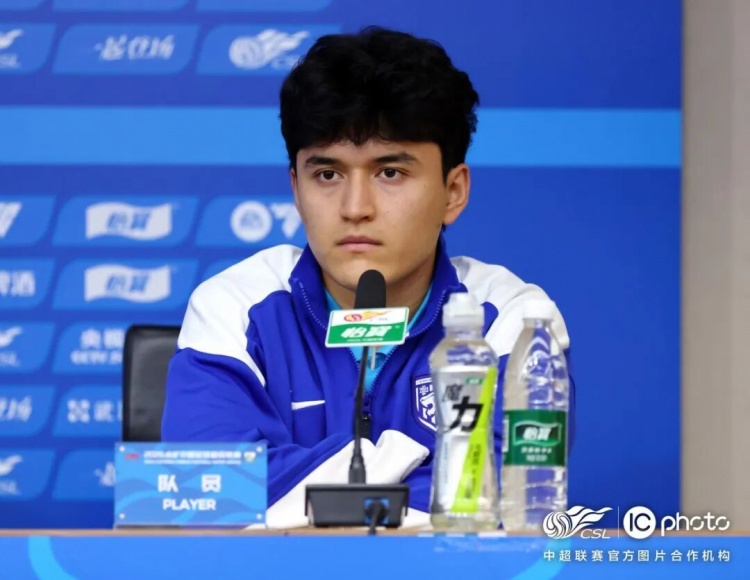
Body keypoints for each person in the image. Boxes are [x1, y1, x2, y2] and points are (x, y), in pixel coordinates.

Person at [161, 26, 574, 528]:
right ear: (296, 189)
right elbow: (206, 490)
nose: (355, 208)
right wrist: (409, 468)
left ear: (453, 192)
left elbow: (514, 493)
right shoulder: (235, 305)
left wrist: (301, 491)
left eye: (390, 173)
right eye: (327, 174)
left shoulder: (515, 320)